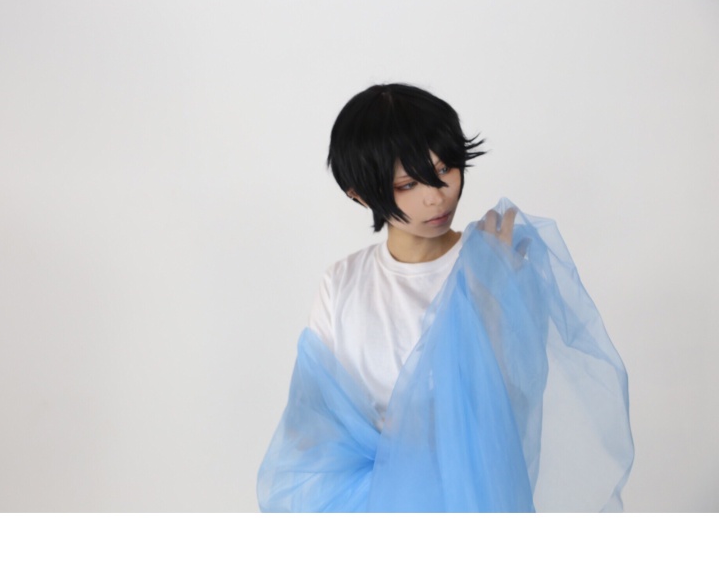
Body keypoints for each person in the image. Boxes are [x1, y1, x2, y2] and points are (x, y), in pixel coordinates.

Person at [257, 83, 634, 512]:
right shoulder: (342, 283)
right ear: (358, 194)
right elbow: (310, 428)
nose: (436, 196)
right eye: (407, 184)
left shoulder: (496, 263)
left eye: (445, 169)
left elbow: (512, 415)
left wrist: (491, 301)